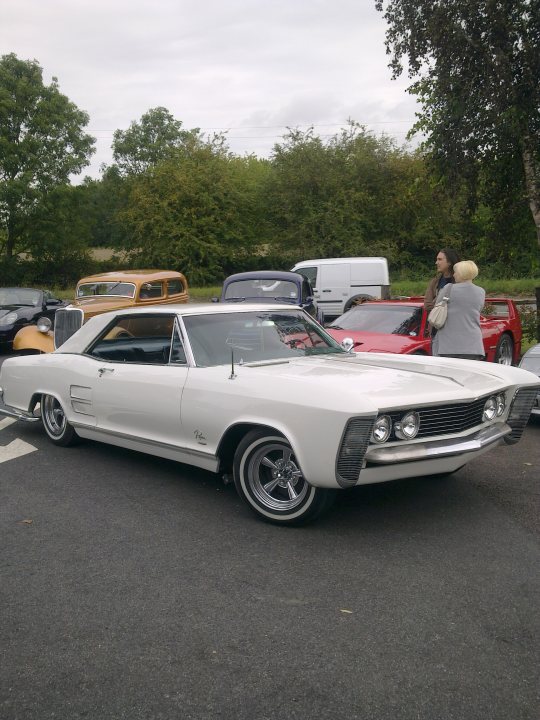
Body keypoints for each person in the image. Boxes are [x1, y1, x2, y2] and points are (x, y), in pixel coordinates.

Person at [431, 260, 486, 360]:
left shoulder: (448, 288)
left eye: (455, 272)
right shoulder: (481, 292)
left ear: (461, 273)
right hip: (473, 346)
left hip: (449, 345)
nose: (454, 275)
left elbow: (437, 305)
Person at [424, 247, 461, 314]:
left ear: (449, 262)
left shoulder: (461, 282)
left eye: (440, 259)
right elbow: (427, 305)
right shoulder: (434, 282)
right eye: (437, 259)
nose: (436, 262)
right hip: (438, 322)